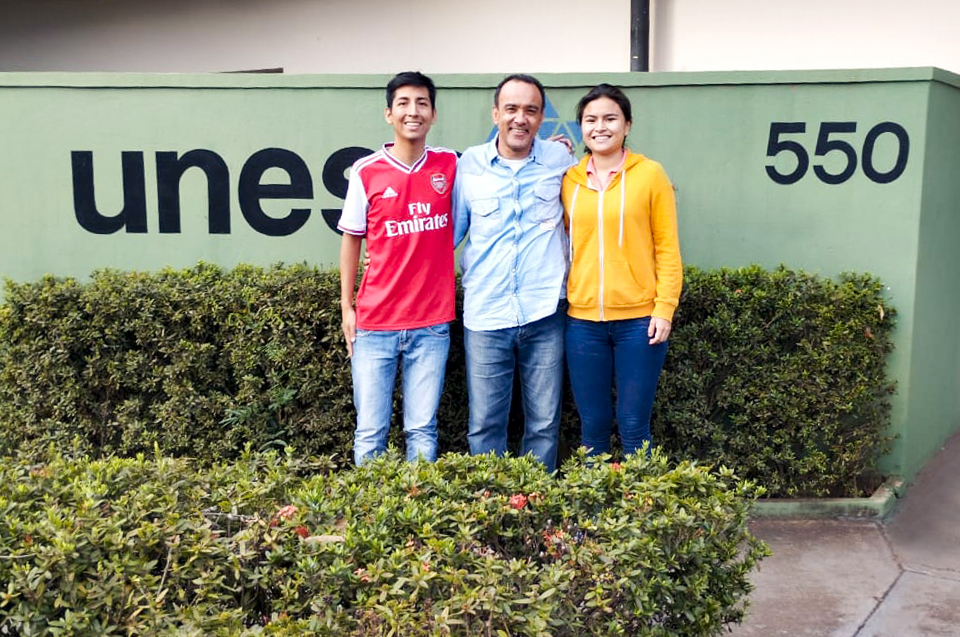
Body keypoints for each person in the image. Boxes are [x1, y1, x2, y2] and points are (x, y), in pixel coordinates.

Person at [452, 74, 576, 473]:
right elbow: (445, 236)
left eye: (530, 110)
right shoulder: (467, 165)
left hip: (545, 313)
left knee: (543, 425)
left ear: (541, 119)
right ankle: (489, 513)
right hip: (486, 315)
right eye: (511, 109)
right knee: (485, 426)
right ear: (496, 114)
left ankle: (536, 511)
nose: (519, 118)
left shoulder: (561, 161)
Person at [339, 71, 458, 465]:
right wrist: (347, 309)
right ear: (388, 114)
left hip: (431, 323)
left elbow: (504, 156)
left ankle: (416, 522)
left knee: (422, 429)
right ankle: (371, 520)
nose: (413, 112)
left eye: (422, 103)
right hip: (375, 324)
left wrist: (553, 147)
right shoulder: (366, 171)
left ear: (433, 114)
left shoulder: (450, 165)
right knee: (370, 431)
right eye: (404, 103)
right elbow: (351, 240)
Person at [561, 83, 682, 457]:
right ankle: (595, 512)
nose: (601, 127)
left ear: (627, 125)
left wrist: (665, 308)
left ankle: (640, 509)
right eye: (591, 119)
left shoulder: (650, 174)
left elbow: (667, 247)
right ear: (581, 127)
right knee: (592, 427)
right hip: (582, 323)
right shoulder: (569, 180)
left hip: (638, 323)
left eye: (610, 118)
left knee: (633, 425)